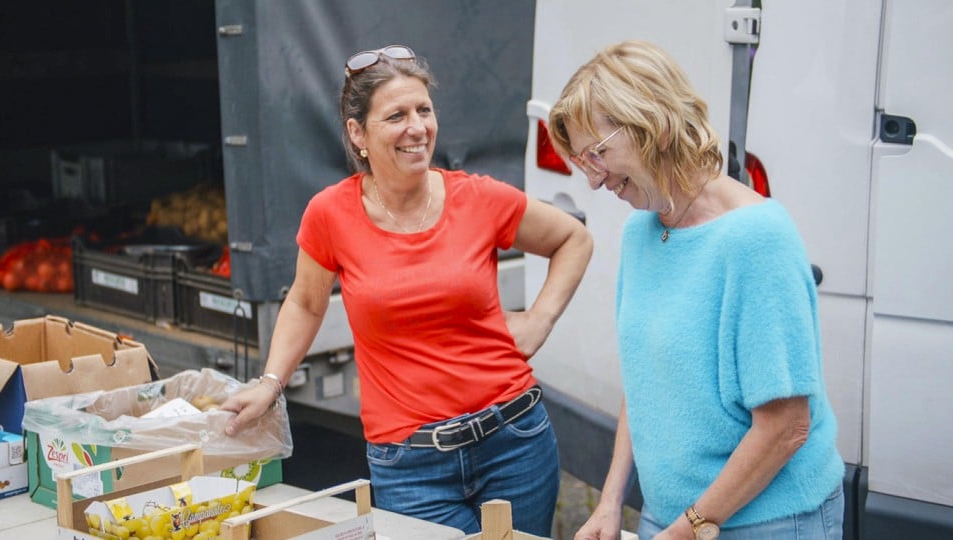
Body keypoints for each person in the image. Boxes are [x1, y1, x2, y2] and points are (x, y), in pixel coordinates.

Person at [220, 44, 593, 536]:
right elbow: (306, 303)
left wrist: (540, 318)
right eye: (396, 115)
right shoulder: (330, 214)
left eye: (424, 110)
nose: (417, 128)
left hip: (514, 442)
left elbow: (574, 238)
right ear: (358, 134)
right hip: (411, 465)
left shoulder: (477, 198)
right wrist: (270, 384)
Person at [547, 40, 845, 540]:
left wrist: (689, 527)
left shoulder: (757, 239)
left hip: (765, 522)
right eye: (583, 162)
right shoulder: (641, 231)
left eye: (599, 153)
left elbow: (786, 427)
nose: (595, 181)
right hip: (672, 519)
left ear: (655, 124)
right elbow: (645, 383)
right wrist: (611, 504)